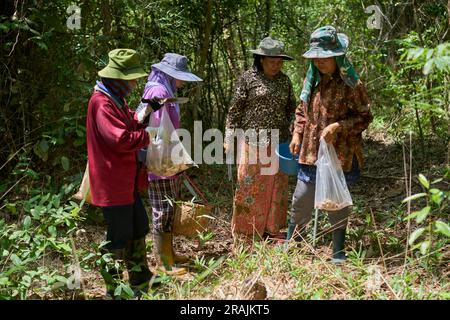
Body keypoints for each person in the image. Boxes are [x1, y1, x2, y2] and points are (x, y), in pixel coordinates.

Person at [287, 26, 373, 263]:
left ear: (337, 56)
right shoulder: (312, 79)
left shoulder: (351, 83)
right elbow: (301, 111)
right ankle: (292, 242)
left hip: (340, 153)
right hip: (310, 151)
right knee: (302, 197)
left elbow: (365, 116)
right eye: (315, 58)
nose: (319, 62)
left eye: (324, 57)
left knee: (335, 201)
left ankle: (338, 251)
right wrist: (297, 134)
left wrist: (339, 127)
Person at [86, 48, 162, 298]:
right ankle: (115, 289)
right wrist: (146, 136)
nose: (133, 83)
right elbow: (118, 138)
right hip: (112, 180)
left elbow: (128, 121)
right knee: (117, 236)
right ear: (118, 78)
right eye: (130, 79)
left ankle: (141, 278)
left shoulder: (115, 98)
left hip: (126, 177)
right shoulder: (101, 101)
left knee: (138, 225)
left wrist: (145, 112)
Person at [224, 37, 297, 240]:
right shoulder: (248, 79)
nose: (276, 65)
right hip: (253, 141)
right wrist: (229, 136)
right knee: (250, 185)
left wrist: (295, 128)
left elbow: (292, 108)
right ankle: (245, 232)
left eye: (280, 61)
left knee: (277, 187)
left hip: (280, 141)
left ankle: (272, 230)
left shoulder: (285, 81)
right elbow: (234, 110)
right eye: (272, 61)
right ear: (261, 59)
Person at [138, 53, 202, 274]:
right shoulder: (159, 91)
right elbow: (152, 127)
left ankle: (169, 253)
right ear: (169, 74)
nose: (182, 81)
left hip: (166, 154)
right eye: (180, 76)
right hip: (160, 157)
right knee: (162, 207)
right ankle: (163, 261)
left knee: (168, 205)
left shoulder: (165, 89)